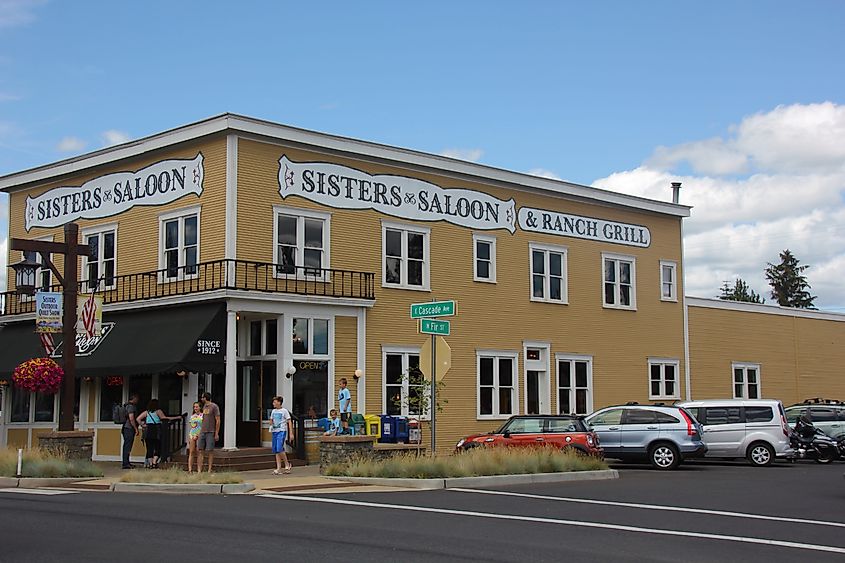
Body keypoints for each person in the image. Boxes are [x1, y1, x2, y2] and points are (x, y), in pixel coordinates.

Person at [136, 399, 182, 468]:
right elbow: (164, 418)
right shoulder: (158, 411)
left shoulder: (147, 412)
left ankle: (150, 464)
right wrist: (177, 417)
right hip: (156, 429)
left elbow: (138, 419)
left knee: (149, 448)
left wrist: (143, 425)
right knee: (158, 446)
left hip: (148, 430)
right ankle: (154, 462)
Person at [197, 392, 220, 473]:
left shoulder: (214, 406)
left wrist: (216, 433)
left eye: (202, 397)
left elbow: (217, 420)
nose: (201, 399)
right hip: (202, 431)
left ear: (205, 398)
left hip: (210, 431)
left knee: (210, 451)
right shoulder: (203, 407)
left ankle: (209, 469)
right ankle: (199, 470)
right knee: (200, 450)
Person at [269, 396, 292, 475]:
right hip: (275, 431)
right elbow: (271, 420)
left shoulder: (284, 411)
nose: (273, 404)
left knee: (280, 448)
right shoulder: (273, 411)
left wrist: (291, 433)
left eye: (275, 402)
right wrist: (271, 425)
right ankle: (278, 468)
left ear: (279, 402)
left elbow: (289, 421)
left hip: (281, 431)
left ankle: (286, 464)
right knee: (276, 450)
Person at [121, 393, 140, 469]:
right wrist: (136, 428)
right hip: (128, 428)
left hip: (125, 427)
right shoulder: (131, 407)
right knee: (127, 446)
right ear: (134, 398)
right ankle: (126, 463)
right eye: (137, 399)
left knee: (127, 446)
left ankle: (127, 462)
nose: (137, 400)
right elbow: (131, 418)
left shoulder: (126, 405)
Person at [186, 402, 203, 473]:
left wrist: (198, 434)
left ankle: (199, 470)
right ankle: (190, 469)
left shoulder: (203, 415)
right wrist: (193, 435)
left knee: (199, 452)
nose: (195, 408)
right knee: (191, 451)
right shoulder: (192, 416)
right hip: (192, 434)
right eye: (194, 407)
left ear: (200, 407)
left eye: (197, 407)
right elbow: (192, 426)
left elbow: (203, 425)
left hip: (200, 434)